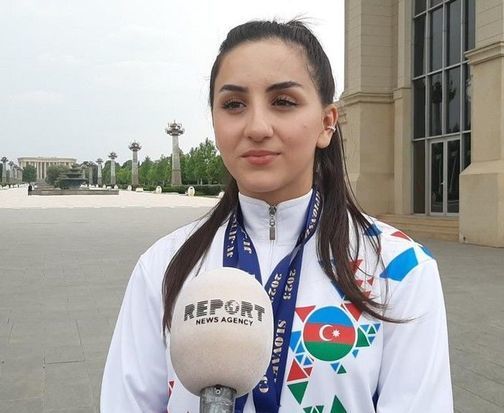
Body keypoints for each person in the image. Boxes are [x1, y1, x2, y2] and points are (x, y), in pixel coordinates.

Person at [101, 20, 453, 413]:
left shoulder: (401, 268)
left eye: (283, 101)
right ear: (215, 122)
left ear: (327, 123)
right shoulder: (163, 266)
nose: (256, 127)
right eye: (234, 105)